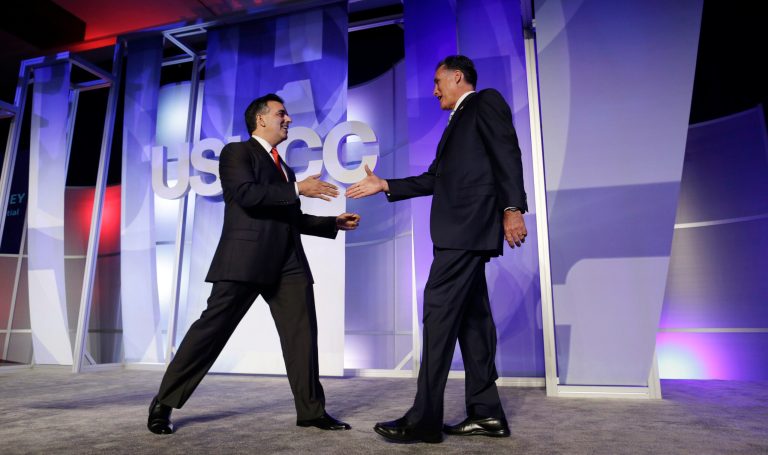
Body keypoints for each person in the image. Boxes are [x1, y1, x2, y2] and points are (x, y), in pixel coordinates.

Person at [148, 93, 360, 434]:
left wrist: (330, 223)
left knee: (302, 337)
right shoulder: (237, 153)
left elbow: (292, 218)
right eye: (282, 113)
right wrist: (295, 188)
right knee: (210, 333)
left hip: (288, 262)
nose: (288, 119)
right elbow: (247, 195)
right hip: (245, 260)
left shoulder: (285, 167)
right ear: (261, 119)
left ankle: (311, 411)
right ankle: (164, 402)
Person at [346, 55, 528, 443]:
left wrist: (512, 208)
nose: (434, 90)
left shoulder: (484, 102)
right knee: (473, 322)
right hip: (462, 232)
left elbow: (507, 155)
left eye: (437, 81)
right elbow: (435, 179)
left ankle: (424, 419)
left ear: (457, 77)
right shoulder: (456, 123)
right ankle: (487, 413)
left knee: (438, 315)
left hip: (465, 231)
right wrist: (385, 185)